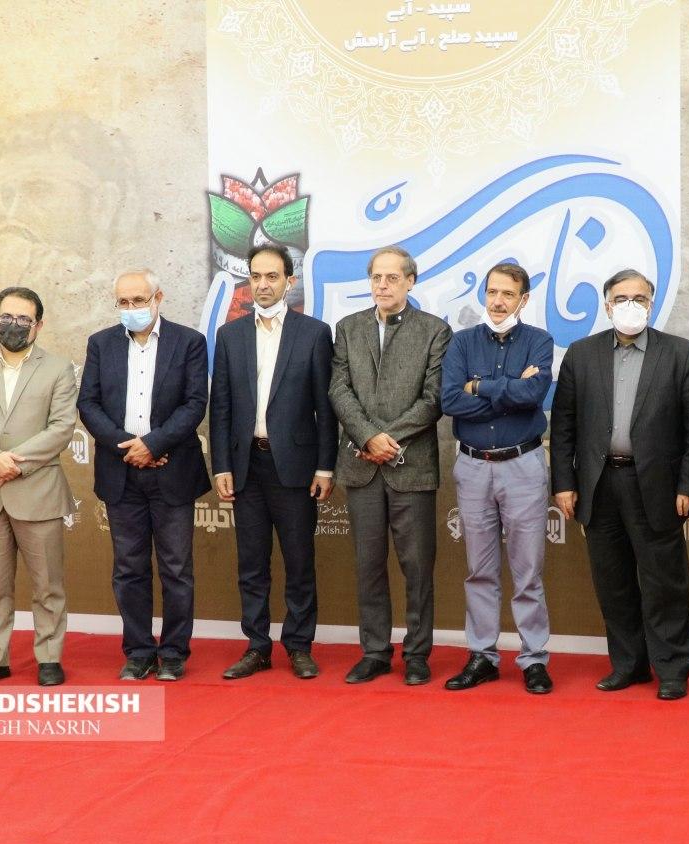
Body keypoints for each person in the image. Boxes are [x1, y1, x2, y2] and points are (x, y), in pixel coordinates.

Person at [550, 269, 689, 700]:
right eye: (621, 298)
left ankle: (671, 669)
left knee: (664, 583)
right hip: (599, 485)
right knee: (613, 582)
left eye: (639, 298)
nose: (630, 305)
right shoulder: (581, 355)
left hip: (657, 486)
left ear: (651, 305)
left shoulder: (681, 354)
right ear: (607, 306)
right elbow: (563, 427)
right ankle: (629, 665)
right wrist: (564, 483)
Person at [210, 245, 337, 680]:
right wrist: (222, 465)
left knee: (299, 563)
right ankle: (257, 646)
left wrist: (325, 467)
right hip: (246, 466)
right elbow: (220, 406)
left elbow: (325, 408)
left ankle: (299, 646)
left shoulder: (314, 333)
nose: (262, 284)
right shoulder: (230, 335)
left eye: (272, 276)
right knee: (252, 565)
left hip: (296, 467)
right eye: (256, 276)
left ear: (289, 281)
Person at [77, 269, 210, 681]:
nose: (132, 308)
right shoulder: (101, 344)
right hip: (121, 474)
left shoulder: (189, 342)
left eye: (139, 300)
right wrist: (128, 447)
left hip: (172, 470)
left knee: (176, 569)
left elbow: (194, 404)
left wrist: (152, 444)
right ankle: (138, 652)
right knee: (129, 569)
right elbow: (88, 404)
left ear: (158, 298)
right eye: (124, 302)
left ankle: (173, 653)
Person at [330, 245, 451, 687]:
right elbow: (339, 389)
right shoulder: (348, 328)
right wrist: (368, 437)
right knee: (368, 566)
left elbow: (433, 400)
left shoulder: (434, 331)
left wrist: (388, 439)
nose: (382, 285)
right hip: (361, 464)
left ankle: (417, 654)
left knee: (417, 568)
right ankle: (375, 652)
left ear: (410, 281)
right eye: (376, 278)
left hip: (411, 467)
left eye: (392, 278)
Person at [0, 286, 77, 687]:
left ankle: (49, 657)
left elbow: (62, 427)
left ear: (38, 325)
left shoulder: (58, 369)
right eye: (7, 317)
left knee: (48, 585)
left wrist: (13, 464)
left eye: (24, 319)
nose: (14, 325)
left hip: (38, 492)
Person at [440, 262, 554, 694]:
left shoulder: (539, 341)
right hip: (473, 466)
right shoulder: (462, 342)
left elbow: (533, 394)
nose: (498, 301)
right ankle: (482, 656)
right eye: (492, 292)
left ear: (524, 299)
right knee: (479, 570)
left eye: (508, 294)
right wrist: (508, 388)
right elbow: (451, 401)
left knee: (528, 571)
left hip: (523, 465)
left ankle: (533, 658)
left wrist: (480, 386)